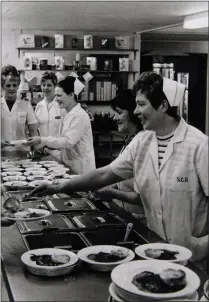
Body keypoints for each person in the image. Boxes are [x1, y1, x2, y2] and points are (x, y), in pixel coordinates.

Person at [29, 72, 208, 263]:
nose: (136, 111)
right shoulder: (142, 140)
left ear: (163, 106)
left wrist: (203, 245)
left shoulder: (199, 145)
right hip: (154, 248)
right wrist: (59, 187)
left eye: (141, 104)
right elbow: (105, 174)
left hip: (192, 256)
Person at [27, 76, 96, 174]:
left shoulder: (79, 115)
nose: (56, 100)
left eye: (59, 95)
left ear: (71, 95)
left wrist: (42, 140)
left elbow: (67, 142)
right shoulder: (68, 113)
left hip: (81, 168)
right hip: (69, 164)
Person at [95, 89, 145, 220]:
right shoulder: (130, 140)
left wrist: (113, 193)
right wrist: (112, 187)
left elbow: (143, 197)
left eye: (119, 113)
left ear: (134, 113)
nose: (115, 118)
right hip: (126, 213)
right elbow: (124, 176)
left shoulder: (142, 143)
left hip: (140, 218)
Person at [1, 65, 39, 151]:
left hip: (22, 152)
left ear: (18, 86)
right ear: (3, 86)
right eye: (8, 85)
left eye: (14, 85)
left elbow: (33, 131)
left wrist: (36, 150)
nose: (12, 88)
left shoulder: (26, 105)